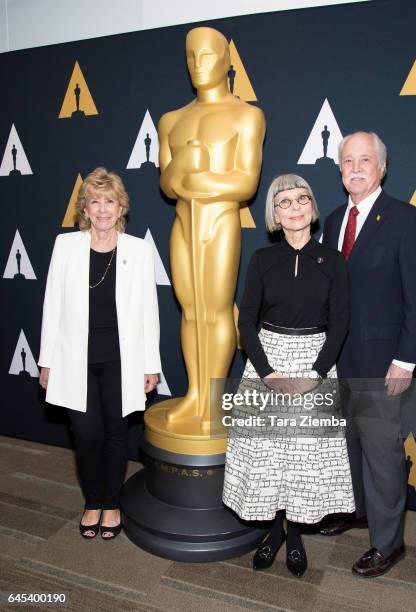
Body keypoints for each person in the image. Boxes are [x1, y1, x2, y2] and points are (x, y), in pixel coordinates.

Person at [223, 174, 355, 577]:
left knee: (303, 456)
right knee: (268, 455)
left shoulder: (332, 260)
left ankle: (295, 535)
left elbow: (341, 321)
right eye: (284, 203)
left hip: (315, 361)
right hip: (268, 360)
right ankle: (274, 532)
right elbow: (246, 320)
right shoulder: (262, 260)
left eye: (302, 200)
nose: (294, 208)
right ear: (275, 215)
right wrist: (267, 372)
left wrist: (317, 372)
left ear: (312, 209)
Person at [321, 132, 416, 577]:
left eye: (365, 159)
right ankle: (358, 512)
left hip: (383, 363)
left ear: (382, 167)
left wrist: (406, 360)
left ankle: (389, 544)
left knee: (383, 455)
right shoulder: (332, 221)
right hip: (339, 361)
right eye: (347, 161)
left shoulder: (405, 220)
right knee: (349, 447)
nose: (355, 168)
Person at [38, 167, 162, 540]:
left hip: (121, 359)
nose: (103, 209)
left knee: (114, 433)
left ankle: (110, 504)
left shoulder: (138, 250)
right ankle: (91, 500)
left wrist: (150, 365)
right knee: (85, 434)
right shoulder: (66, 246)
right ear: (85, 208)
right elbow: (52, 306)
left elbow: (148, 313)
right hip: (74, 357)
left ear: (121, 206)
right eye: (96, 201)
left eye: (110, 201)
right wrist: (46, 360)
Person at [156, 26, 265, 430]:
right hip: (184, 222)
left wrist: (195, 174)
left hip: (220, 222)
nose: (198, 64)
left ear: (226, 61)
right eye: (191, 56)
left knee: (216, 310)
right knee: (190, 311)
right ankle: (195, 396)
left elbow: (245, 183)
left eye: (207, 55)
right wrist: (186, 167)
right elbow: (167, 184)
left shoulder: (246, 115)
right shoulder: (172, 120)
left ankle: (215, 401)